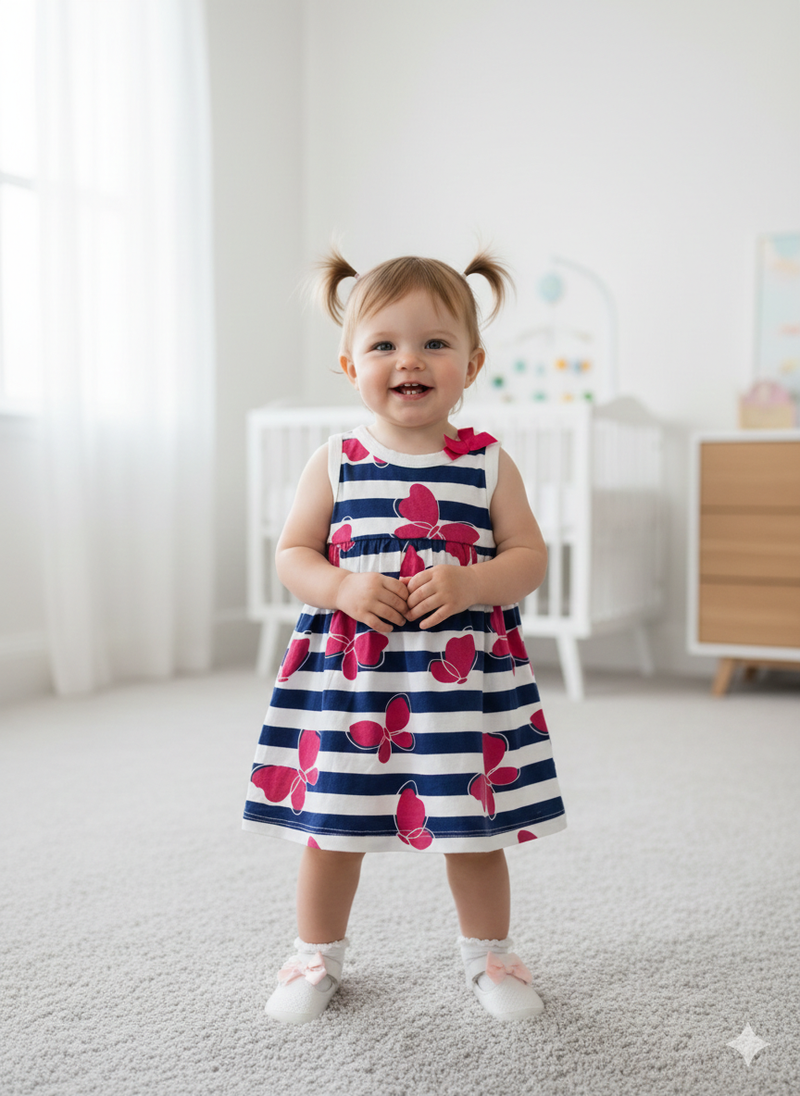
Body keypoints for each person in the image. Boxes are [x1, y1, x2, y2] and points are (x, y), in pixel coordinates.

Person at [243, 248, 567, 1025]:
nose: (408, 361)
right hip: (356, 687)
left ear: (471, 363)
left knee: (473, 830)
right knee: (332, 829)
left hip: (461, 690)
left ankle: (489, 952)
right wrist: (341, 586)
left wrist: (473, 582)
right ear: (350, 361)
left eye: (433, 343)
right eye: (384, 345)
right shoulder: (336, 460)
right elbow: (293, 554)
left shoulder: (487, 463)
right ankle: (315, 955)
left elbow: (528, 556)